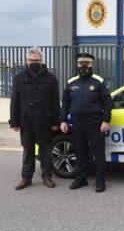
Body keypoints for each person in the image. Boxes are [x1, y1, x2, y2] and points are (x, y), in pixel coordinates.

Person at [60, 53, 112, 193]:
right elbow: (65, 102)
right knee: (80, 152)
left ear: (91, 65)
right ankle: (81, 179)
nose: (84, 67)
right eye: (81, 64)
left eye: (87, 64)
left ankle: (100, 181)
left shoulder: (98, 81)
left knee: (98, 153)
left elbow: (107, 102)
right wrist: (63, 120)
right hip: (77, 124)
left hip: (95, 124)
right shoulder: (71, 81)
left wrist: (106, 120)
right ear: (77, 65)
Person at [10, 47, 60, 190]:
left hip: (45, 121)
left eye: (37, 60)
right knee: (28, 152)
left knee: (45, 151)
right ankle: (26, 178)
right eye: (32, 60)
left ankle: (47, 177)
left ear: (42, 61)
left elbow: (55, 102)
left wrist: (56, 121)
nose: (34, 63)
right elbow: (15, 101)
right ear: (27, 61)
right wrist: (14, 121)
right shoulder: (19, 78)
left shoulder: (51, 79)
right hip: (26, 121)